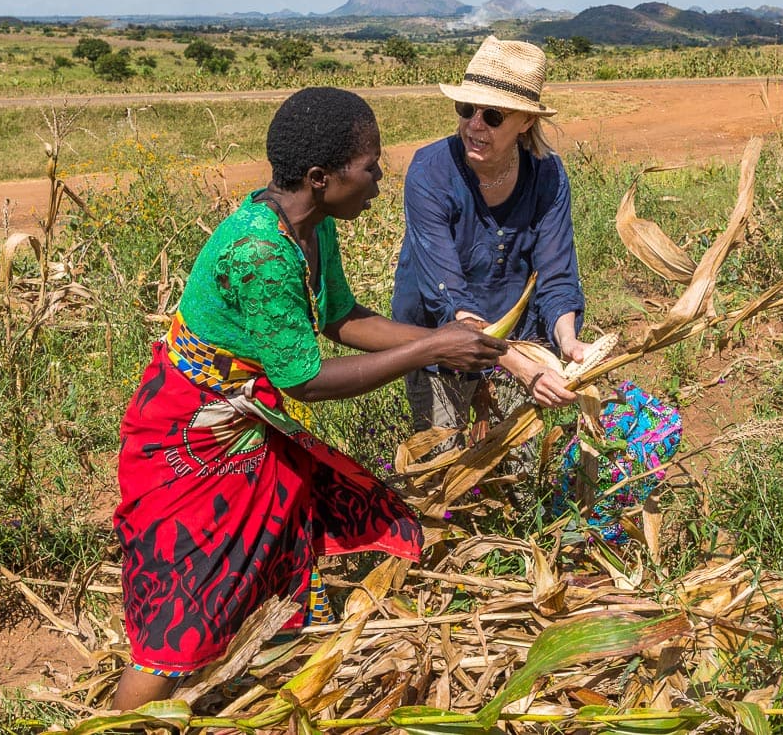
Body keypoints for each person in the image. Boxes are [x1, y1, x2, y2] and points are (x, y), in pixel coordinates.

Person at [112, 87, 507, 709]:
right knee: (184, 613)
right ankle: (122, 718)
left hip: (244, 422)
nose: (379, 180)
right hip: (194, 437)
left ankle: (235, 682)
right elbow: (304, 380)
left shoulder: (312, 227)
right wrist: (432, 351)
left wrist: (446, 338)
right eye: (370, 167)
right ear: (321, 177)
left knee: (249, 569)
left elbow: (343, 318)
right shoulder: (261, 251)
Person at [392, 35, 588, 447]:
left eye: (493, 116)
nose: (474, 124)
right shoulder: (429, 172)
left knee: (517, 466)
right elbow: (448, 297)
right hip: (442, 345)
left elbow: (556, 273)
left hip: (521, 341)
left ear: (526, 122)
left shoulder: (548, 175)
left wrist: (567, 343)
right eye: (466, 109)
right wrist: (521, 369)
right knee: (443, 465)